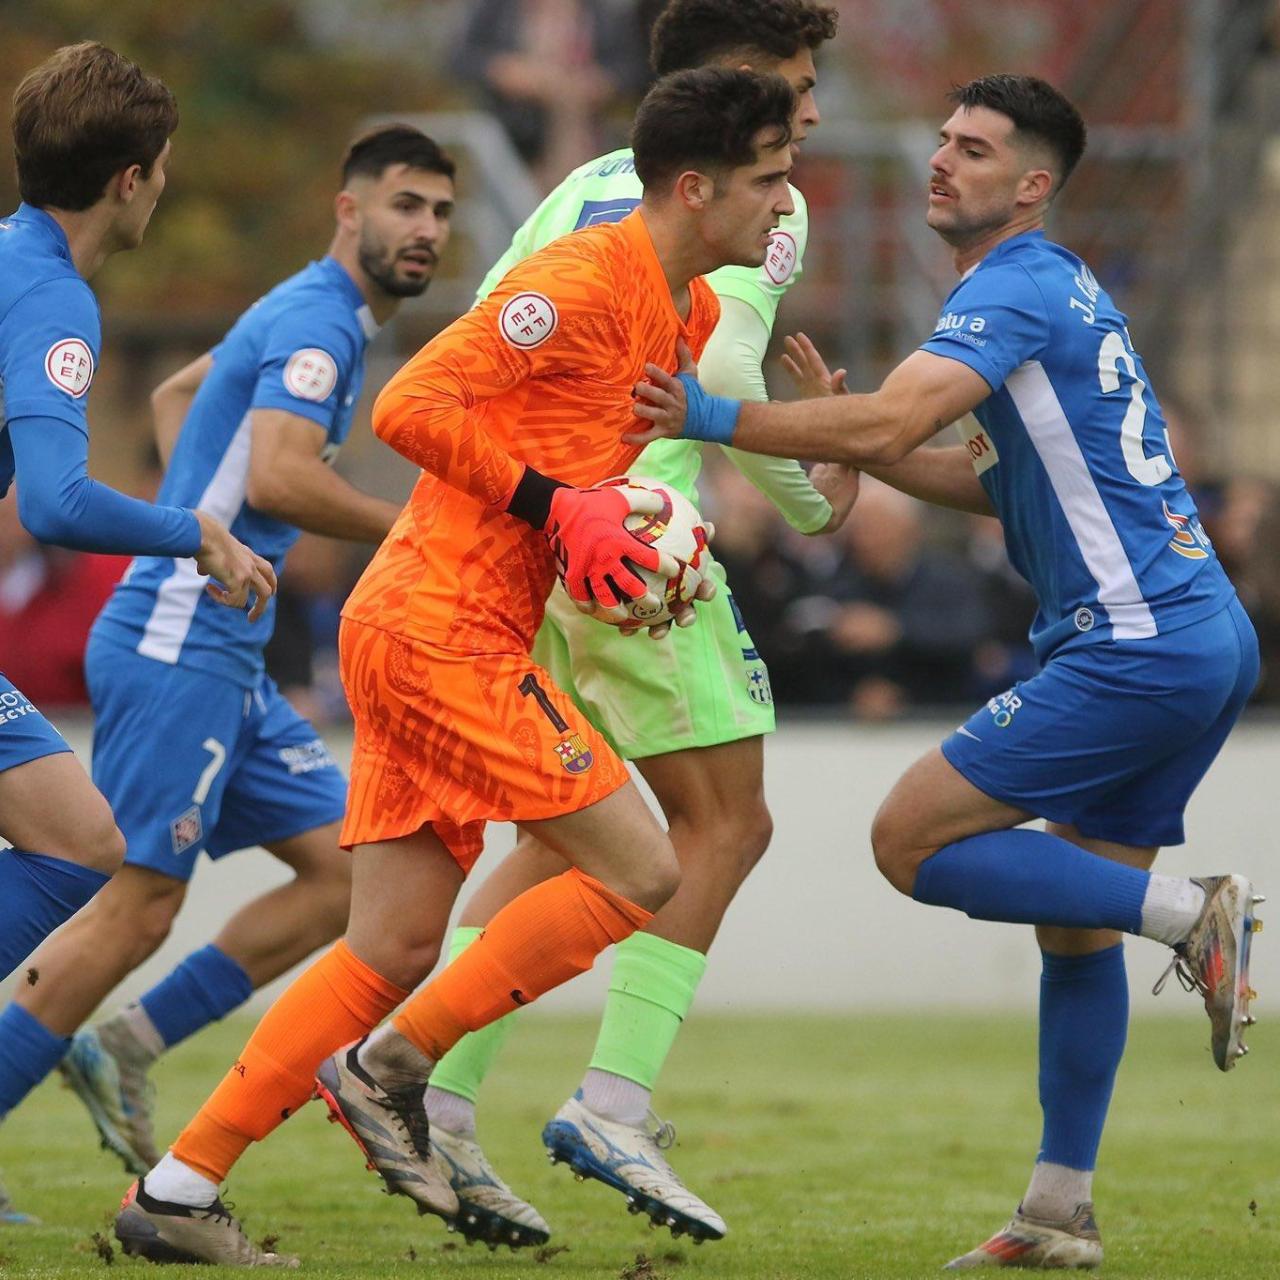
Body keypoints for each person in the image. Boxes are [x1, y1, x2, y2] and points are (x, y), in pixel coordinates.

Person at [112, 66, 798, 1268]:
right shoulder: (578, 277)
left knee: (390, 948)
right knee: (643, 865)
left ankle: (173, 1190)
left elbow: (591, 458)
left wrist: (626, 528)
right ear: (694, 188)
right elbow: (411, 402)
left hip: (436, 624)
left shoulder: (681, 317)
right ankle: (391, 1067)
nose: (787, 204)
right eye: (769, 179)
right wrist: (562, 503)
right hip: (441, 625)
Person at [632, 73, 1263, 1270]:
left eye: (971, 149)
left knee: (907, 840)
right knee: (1069, 931)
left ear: (1029, 185)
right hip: (1186, 635)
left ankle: (1194, 915)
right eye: (940, 140)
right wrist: (860, 426)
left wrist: (716, 416)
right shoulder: (1054, 283)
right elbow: (981, 478)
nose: (939, 160)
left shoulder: (1015, 284)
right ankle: (1055, 1212)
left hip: (1133, 641)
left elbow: (881, 429)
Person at [423, 0, 848, 1247]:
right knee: (726, 819)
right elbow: (715, 385)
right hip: (636, 540)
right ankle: (609, 1097)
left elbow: (485, 333)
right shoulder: (760, 200)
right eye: (797, 82)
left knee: (562, 843)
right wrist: (814, 498)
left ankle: (430, 1087)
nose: (813, 112)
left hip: (540, 535)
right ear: (739, 90)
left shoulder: (580, 187)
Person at [0, 125, 456, 1213]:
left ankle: (126, 1042)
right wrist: (420, 532)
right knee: (133, 899)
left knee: (348, 874)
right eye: (402, 205)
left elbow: (178, 402)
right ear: (347, 211)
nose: (423, 229)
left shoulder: (310, 310)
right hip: (177, 636)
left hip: (226, 646)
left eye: (439, 210)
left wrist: (208, 506)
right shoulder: (318, 322)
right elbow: (288, 475)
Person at [0, 40, 274, 1217]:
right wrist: (195, 531)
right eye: (161, 169)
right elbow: (57, 500)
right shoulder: (52, 290)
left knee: (78, 835)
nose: (162, 187)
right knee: (79, 840)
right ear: (129, 178)